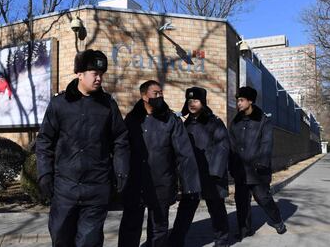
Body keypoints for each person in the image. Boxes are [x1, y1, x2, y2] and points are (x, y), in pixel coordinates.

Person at [36, 49, 130, 247]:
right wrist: (44, 174)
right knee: (61, 238)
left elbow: (120, 140)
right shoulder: (59, 104)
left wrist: (121, 171)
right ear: (79, 73)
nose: (99, 78)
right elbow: (44, 141)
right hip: (65, 189)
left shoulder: (107, 106)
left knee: (90, 241)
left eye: (101, 74)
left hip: (97, 187)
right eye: (95, 74)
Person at [118, 80, 201, 247]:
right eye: (155, 94)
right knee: (130, 225)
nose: (160, 96)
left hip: (161, 183)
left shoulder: (171, 120)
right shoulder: (132, 119)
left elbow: (184, 154)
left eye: (161, 93)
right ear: (144, 96)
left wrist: (190, 185)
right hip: (136, 183)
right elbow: (122, 149)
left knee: (158, 228)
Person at [169, 87, 230, 247]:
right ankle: (176, 241)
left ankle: (222, 241)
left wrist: (215, 172)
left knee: (217, 211)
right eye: (189, 101)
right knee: (185, 211)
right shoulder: (183, 124)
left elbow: (222, 146)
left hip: (211, 176)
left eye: (195, 100)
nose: (192, 104)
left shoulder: (214, 123)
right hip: (191, 177)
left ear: (203, 102)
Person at [229, 86, 287, 241]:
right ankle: (245, 230)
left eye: (241, 100)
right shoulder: (235, 121)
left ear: (250, 101)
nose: (238, 103)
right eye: (237, 100)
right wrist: (232, 165)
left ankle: (277, 220)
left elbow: (267, 143)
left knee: (263, 198)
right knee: (241, 202)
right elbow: (231, 145)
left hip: (257, 170)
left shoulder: (263, 120)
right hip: (241, 170)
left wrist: (261, 163)